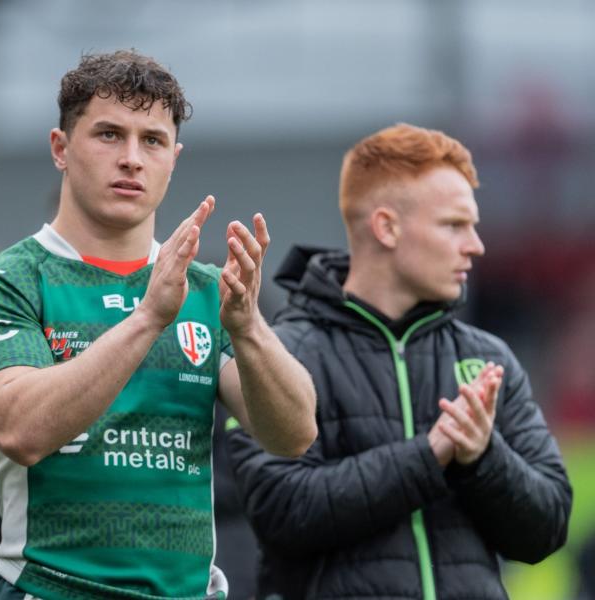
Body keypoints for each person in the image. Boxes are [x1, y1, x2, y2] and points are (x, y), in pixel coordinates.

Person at [0, 50, 317, 599]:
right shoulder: (7, 282)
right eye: (108, 135)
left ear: (174, 157)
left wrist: (248, 329)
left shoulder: (206, 291)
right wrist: (147, 319)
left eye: (152, 140)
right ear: (60, 149)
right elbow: (20, 431)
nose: (131, 158)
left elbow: (293, 434)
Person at [226, 123, 572, 599]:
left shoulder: (488, 357)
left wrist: (481, 457)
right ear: (386, 227)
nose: (476, 244)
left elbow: (548, 528)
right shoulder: (278, 355)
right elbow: (280, 513)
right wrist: (430, 456)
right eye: (454, 225)